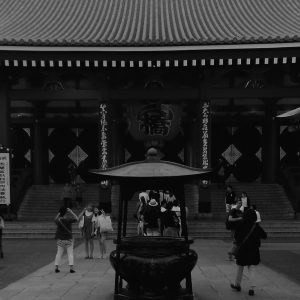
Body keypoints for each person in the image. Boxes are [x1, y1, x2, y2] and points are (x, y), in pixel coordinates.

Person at [231, 209, 267, 296]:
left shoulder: (240, 225)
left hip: (243, 250)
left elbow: (236, 237)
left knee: (240, 268)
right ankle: (251, 289)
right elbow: (264, 236)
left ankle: (237, 285)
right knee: (252, 268)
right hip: (253, 250)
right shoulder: (256, 226)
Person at [54, 207, 78, 273]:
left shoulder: (58, 220)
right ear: (66, 213)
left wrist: (59, 213)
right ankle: (71, 268)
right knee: (70, 253)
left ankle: (56, 267)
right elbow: (77, 219)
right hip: (68, 239)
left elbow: (55, 219)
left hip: (60, 239)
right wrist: (71, 212)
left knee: (59, 253)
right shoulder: (68, 220)